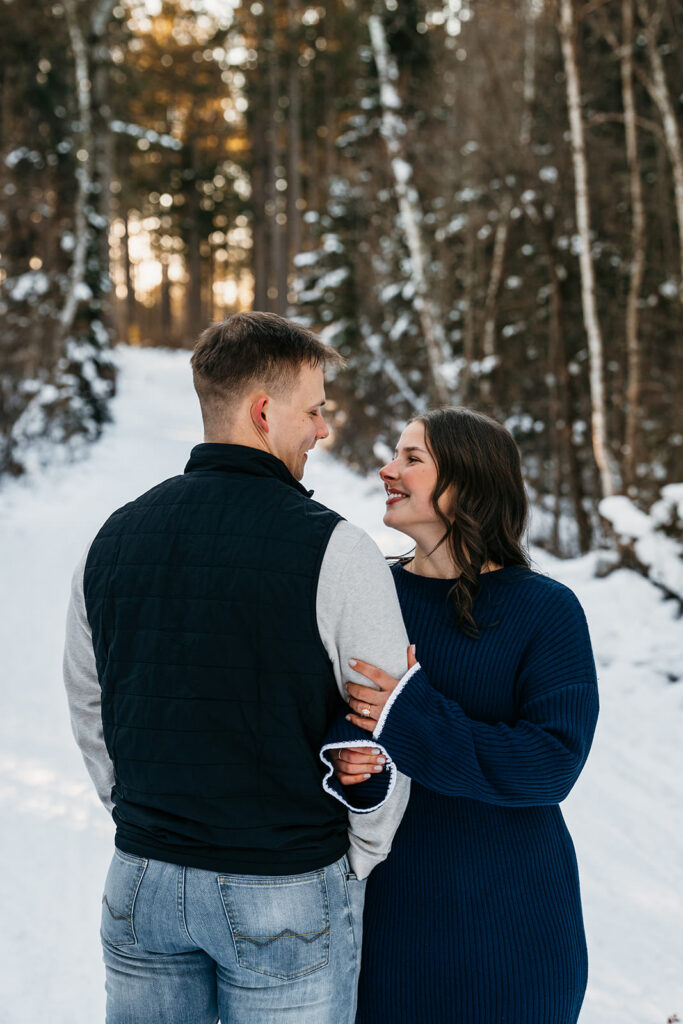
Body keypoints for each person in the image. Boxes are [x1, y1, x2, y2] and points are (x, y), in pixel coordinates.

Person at [62, 311, 412, 1024]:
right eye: (314, 410)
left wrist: (141, 820)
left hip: (142, 884)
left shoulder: (113, 537)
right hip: (284, 885)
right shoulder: (338, 549)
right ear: (262, 411)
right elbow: (384, 721)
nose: (322, 430)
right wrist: (361, 854)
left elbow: (89, 705)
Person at [324, 408, 600, 1024]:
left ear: (468, 482)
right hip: (388, 916)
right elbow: (341, 716)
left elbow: (551, 764)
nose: (386, 468)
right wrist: (353, 762)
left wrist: (410, 714)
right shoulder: (374, 594)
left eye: (411, 458)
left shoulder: (546, 611)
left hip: (510, 921)